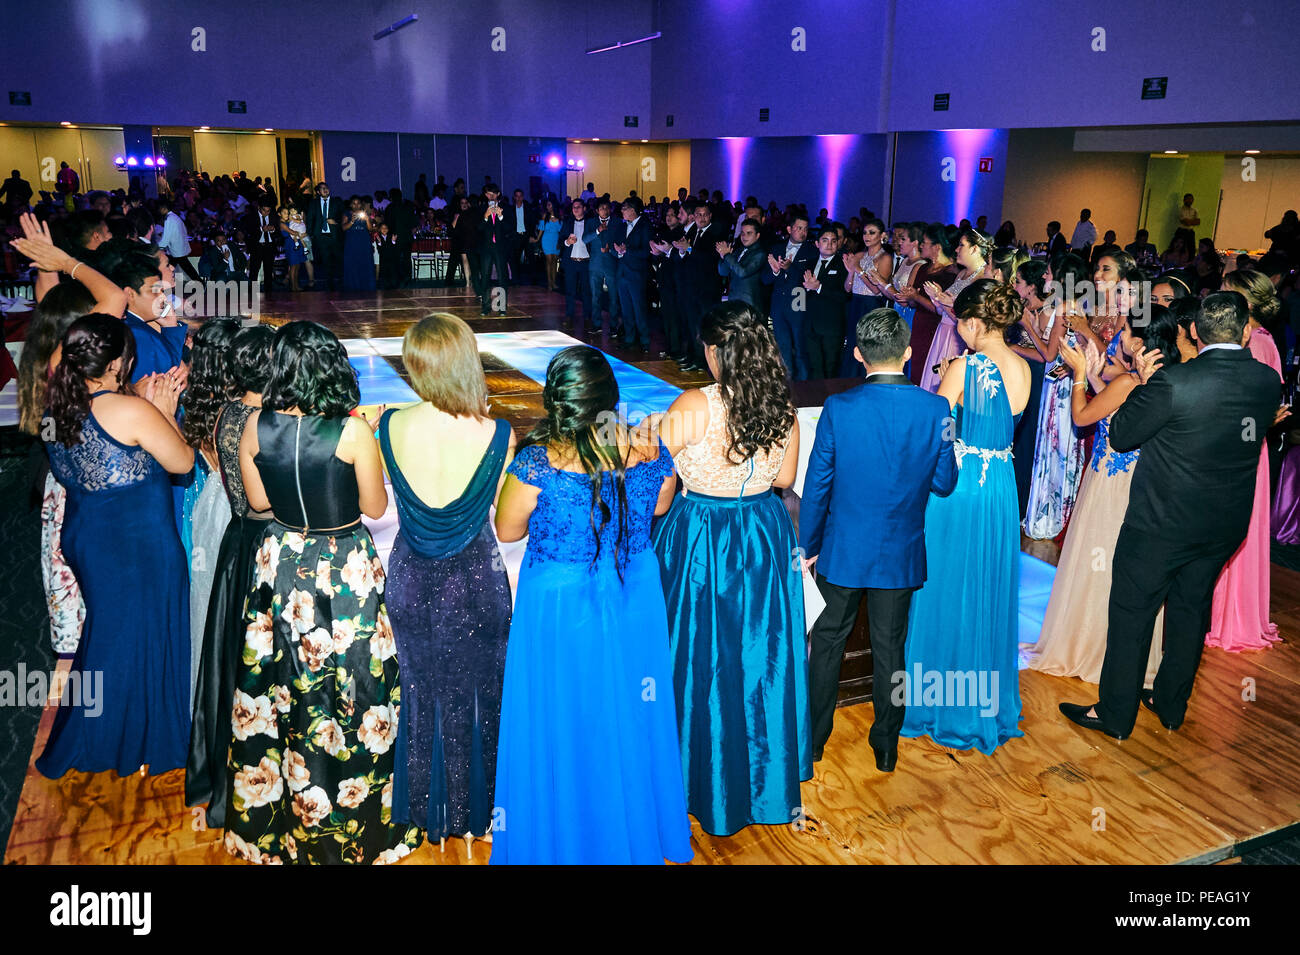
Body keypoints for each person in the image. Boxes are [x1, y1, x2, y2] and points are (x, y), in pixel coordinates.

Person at [226, 321, 422, 864]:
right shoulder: (351, 431)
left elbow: (261, 504)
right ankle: (356, 817)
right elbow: (376, 509)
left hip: (283, 562)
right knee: (358, 688)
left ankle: (290, 814)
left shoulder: (253, 427)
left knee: (287, 686)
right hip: (343, 567)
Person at [491, 346, 691, 864]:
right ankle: (628, 830)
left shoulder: (537, 461)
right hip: (633, 592)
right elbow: (663, 503)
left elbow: (506, 529)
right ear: (610, 397)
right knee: (628, 710)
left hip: (562, 601)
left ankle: (564, 836)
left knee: (564, 714)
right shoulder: (648, 449)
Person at [1061, 293, 1281, 740]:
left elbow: (1121, 436)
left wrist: (1143, 383)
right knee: (1189, 611)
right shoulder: (1267, 381)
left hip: (1160, 523)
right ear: (1244, 333)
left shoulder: (1175, 383)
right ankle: (1170, 704)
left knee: (1131, 614)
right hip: (1223, 525)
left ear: (1195, 333)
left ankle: (1116, 715)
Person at [650, 303, 806, 835]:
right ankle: (764, 780)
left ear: (715, 352)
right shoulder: (782, 409)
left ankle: (701, 776)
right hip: (762, 533)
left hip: (704, 537)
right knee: (760, 655)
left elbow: (651, 470)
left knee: (700, 656)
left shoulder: (696, 402)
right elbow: (785, 479)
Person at [377, 314, 515, 855]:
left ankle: (423, 806)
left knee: (419, 691)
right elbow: (504, 516)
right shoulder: (498, 433)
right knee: (481, 695)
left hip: (410, 578)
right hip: (476, 578)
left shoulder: (388, 425)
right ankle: (479, 809)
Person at [37, 314, 194, 778]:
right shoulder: (132, 412)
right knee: (142, 636)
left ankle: (109, 732)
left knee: (109, 636)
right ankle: (124, 737)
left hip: (87, 535)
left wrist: (140, 402)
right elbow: (182, 461)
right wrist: (163, 410)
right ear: (119, 362)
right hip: (137, 541)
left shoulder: (55, 407)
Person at [801, 307, 956, 771]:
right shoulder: (937, 409)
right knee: (892, 649)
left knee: (827, 642)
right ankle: (886, 747)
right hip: (901, 552)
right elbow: (946, 482)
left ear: (858, 356)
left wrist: (807, 548)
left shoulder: (839, 408)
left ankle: (813, 742)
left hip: (843, 549)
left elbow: (817, 487)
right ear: (909, 353)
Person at [901, 281, 1032, 754]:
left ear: (975, 322)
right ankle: (984, 702)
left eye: (961, 326)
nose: (960, 335)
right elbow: (1000, 420)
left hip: (960, 484)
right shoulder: (1023, 366)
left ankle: (939, 703)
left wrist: (948, 382)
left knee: (945, 584)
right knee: (986, 585)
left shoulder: (965, 366)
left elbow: (941, 430)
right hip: (999, 486)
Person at [1025, 307, 1182, 685]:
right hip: (1134, 481)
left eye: (1126, 329)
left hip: (1109, 484)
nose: (1119, 334)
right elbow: (1117, 407)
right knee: (1119, 566)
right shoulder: (1160, 378)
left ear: (1140, 341)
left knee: (1099, 560)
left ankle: (1088, 646)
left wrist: (1080, 376)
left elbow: (1082, 417)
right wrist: (1094, 375)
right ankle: (1123, 651)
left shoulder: (1128, 381)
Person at [186, 324, 275, 831]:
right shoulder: (261, 422)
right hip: (262, 542)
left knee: (228, 651)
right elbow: (265, 500)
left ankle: (226, 760)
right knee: (258, 657)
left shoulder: (226, 412)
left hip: (234, 544)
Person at [1205, 271, 1285, 652]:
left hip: (1243, 451)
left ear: (1247, 303)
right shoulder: (1248, 341)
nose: (1218, 296)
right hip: (1240, 445)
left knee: (1235, 527)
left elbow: (1261, 407)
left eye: (1226, 292)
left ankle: (1231, 616)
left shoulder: (1260, 343)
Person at [180, 318, 240, 710]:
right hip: (227, 513)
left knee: (206, 607)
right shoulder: (234, 415)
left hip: (197, 511)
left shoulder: (195, 402)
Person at [1023, 254, 1090, 540]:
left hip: (1060, 386)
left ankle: (1051, 513)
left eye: (1050, 273)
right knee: (1059, 444)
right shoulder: (1071, 305)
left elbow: (1048, 355)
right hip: (1064, 380)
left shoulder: (1064, 307)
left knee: (1056, 444)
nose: (1046, 277)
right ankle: (1057, 508)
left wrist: (1027, 325)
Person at [919, 227, 989, 392]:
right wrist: (936, 298)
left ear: (975, 248)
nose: (956, 249)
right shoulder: (962, 273)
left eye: (961, 245)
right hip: (943, 331)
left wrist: (944, 301)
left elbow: (969, 318)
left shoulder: (982, 278)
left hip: (958, 337)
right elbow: (940, 312)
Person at [763, 214, 818, 379]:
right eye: (799, 228)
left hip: (798, 298)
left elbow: (806, 278)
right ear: (789, 229)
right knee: (782, 345)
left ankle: (804, 384)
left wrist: (789, 268)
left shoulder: (811, 251)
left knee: (800, 345)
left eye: (806, 229)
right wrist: (775, 271)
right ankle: (786, 382)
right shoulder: (776, 248)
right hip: (779, 302)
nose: (803, 232)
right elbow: (765, 279)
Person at [677, 202, 725, 370]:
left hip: (707, 289)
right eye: (699, 215)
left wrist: (689, 249)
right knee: (691, 324)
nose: (702, 218)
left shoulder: (716, 232)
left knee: (704, 326)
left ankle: (703, 361)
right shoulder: (693, 231)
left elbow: (711, 258)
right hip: (692, 287)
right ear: (694, 216)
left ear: (710, 216)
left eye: (705, 215)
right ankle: (692, 356)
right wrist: (683, 251)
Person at [802, 226, 850, 380]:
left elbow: (845, 297)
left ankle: (829, 401)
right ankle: (815, 400)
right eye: (825, 240)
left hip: (832, 326)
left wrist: (819, 288)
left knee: (830, 368)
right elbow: (801, 290)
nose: (829, 245)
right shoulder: (808, 263)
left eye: (833, 241)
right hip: (810, 325)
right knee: (814, 367)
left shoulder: (844, 264)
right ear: (817, 243)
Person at [615, 195, 652, 351]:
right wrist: (619, 251)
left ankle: (644, 341)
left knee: (639, 309)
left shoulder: (645, 225)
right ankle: (630, 338)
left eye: (625, 208)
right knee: (626, 309)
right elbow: (617, 245)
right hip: (623, 272)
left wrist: (627, 250)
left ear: (633, 210)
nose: (622, 211)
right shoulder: (623, 226)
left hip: (637, 274)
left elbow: (647, 251)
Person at [587, 199, 622, 336]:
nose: (605, 210)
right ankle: (597, 324)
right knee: (596, 296)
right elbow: (585, 239)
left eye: (607, 208)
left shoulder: (617, 222)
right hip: (595, 264)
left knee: (613, 297)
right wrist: (597, 230)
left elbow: (620, 242)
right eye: (602, 208)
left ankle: (614, 325)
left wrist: (611, 251)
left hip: (611, 263)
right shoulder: (591, 222)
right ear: (597, 210)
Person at [558, 198, 593, 332]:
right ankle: (569, 316)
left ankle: (587, 318)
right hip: (571, 262)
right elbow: (560, 240)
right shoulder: (568, 222)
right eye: (574, 207)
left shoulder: (590, 222)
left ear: (584, 208)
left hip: (586, 262)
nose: (576, 209)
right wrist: (567, 241)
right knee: (570, 291)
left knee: (586, 292)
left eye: (578, 207)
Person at [476, 184, 511, 315]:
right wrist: (485, 216)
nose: (490, 197)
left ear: (498, 194)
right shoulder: (481, 209)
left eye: (492, 194)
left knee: (502, 277)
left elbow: (509, 229)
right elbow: (478, 229)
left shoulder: (506, 208)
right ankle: (485, 307)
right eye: (487, 194)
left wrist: (501, 217)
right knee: (485, 277)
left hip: (500, 248)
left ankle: (502, 307)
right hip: (486, 248)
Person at [716, 217, 765, 308]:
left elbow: (743, 272)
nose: (744, 236)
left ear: (757, 235)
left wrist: (727, 255)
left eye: (749, 233)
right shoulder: (738, 250)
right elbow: (723, 272)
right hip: (734, 300)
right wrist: (722, 255)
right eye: (742, 233)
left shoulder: (760, 253)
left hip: (749, 304)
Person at [305, 182, 343, 291]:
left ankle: (341, 280)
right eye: (322, 188)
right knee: (326, 261)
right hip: (321, 237)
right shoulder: (313, 203)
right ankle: (330, 283)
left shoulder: (337, 201)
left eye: (326, 187)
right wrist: (311, 235)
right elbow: (310, 219)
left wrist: (335, 222)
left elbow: (343, 215)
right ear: (318, 192)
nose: (325, 190)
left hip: (334, 236)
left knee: (338, 259)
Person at [242, 200, 280, 293]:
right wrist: (261, 229)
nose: (266, 213)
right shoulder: (251, 217)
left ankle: (268, 291)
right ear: (259, 208)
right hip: (257, 246)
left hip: (269, 246)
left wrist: (273, 230)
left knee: (268, 269)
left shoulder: (273, 216)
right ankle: (251, 291)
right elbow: (248, 230)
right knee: (254, 269)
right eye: (264, 210)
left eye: (268, 211)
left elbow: (279, 232)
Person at [340, 197, 376, 293]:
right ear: (351, 205)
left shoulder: (365, 214)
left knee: (365, 262)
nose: (356, 205)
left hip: (364, 242)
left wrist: (367, 219)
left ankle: (366, 285)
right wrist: (351, 221)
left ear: (361, 204)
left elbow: (370, 229)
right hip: (352, 242)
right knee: (352, 263)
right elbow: (343, 228)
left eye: (358, 203)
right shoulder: (347, 214)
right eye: (354, 203)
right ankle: (353, 286)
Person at [448, 195, 478, 289]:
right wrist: (456, 218)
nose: (464, 205)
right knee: (465, 261)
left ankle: (473, 280)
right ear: (459, 205)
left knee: (473, 262)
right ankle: (468, 282)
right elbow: (451, 229)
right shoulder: (457, 215)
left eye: (465, 203)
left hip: (472, 240)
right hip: (462, 241)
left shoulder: (473, 213)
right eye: (462, 203)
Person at [538, 207, 562, 292]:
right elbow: (541, 229)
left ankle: (554, 282)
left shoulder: (559, 216)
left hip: (556, 240)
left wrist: (560, 242)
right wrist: (537, 239)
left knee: (555, 261)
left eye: (549, 204)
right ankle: (549, 282)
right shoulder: (545, 216)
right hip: (546, 240)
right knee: (549, 260)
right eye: (547, 205)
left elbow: (561, 231)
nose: (548, 207)